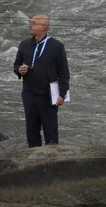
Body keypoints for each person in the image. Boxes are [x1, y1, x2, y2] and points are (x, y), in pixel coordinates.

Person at [13, 14, 69, 147]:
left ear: (43, 27)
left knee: (50, 131)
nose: (30, 25)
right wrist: (19, 70)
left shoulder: (56, 46)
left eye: (33, 23)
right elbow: (16, 65)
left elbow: (64, 72)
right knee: (31, 131)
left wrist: (62, 94)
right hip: (29, 94)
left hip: (48, 96)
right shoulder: (24, 44)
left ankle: (52, 159)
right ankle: (34, 159)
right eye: (30, 22)